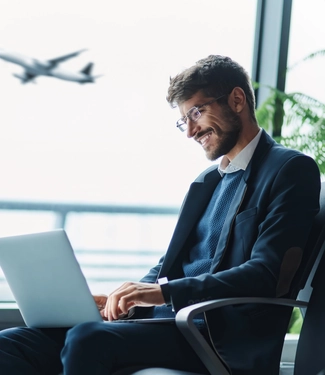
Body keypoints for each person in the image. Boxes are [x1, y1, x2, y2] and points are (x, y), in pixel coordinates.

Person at [0, 55, 321, 375]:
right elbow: (170, 264)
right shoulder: (207, 182)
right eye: (184, 120)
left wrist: (163, 293)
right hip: (164, 322)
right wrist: (126, 298)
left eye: (197, 112)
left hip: (214, 337)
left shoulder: (288, 170)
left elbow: (265, 273)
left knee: (87, 340)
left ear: (237, 100)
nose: (190, 131)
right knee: (14, 342)